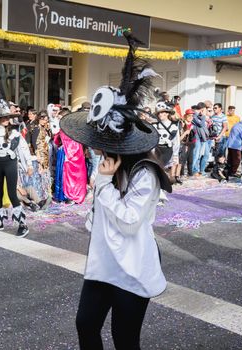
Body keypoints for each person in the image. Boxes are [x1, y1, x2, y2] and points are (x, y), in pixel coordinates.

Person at [63, 31, 171, 349]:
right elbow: (94, 223)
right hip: (104, 263)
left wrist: (105, 185)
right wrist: (101, 194)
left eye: (101, 145)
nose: (95, 150)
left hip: (134, 266)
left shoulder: (144, 173)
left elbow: (128, 222)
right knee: (85, 325)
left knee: (124, 339)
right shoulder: (108, 168)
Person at [0, 91, 33, 237]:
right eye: (3, 117)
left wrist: (28, 165)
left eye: (7, 117)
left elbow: (23, 150)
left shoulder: (14, 134)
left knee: (12, 194)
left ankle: (22, 224)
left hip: (10, 165)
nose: (6, 119)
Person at [191, 102, 208, 177]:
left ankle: (196, 170)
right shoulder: (194, 115)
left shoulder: (198, 116)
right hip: (196, 138)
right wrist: (203, 116)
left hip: (201, 138)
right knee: (195, 155)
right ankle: (192, 170)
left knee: (198, 156)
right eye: (204, 110)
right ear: (201, 109)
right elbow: (201, 124)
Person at [178, 109, 196, 179]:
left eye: (192, 116)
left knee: (190, 159)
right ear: (186, 116)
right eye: (189, 116)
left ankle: (190, 173)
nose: (191, 117)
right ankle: (181, 174)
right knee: (183, 159)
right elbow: (181, 134)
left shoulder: (193, 124)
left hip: (192, 143)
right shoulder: (182, 124)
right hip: (185, 143)